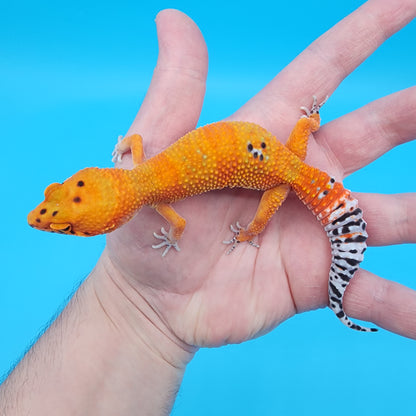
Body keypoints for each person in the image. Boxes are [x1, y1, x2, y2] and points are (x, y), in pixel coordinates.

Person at [1, 2, 416, 414]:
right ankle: (310, 169)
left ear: (108, 220)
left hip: (278, 174)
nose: (55, 223)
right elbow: (138, 144)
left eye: (68, 227)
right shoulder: (143, 166)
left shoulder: (159, 199)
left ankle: (264, 236)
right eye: (68, 225)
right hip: (286, 150)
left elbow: (177, 224)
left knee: (266, 214)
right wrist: (307, 121)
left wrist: (250, 231)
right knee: (297, 155)